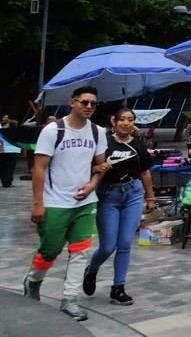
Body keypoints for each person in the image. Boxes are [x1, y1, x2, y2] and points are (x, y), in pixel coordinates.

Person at [23, 86, 107, 321]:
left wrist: (92, 184)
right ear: (73, 103)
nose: (89, 106)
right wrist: (38, 203)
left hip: (85, 203)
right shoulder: (53, 130)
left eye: (93, 103)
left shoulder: (98, 132)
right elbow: (38, 168)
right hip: (55, 202)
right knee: (50, 250)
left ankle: (70, 299)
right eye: (84, 102)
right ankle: (33, 281)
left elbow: (100, 166)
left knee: (80, 253)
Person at [83, 107, 156, 306]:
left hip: (133, 194)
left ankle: (118, 287)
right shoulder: (104, 143)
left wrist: (150, 198)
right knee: (108, 246)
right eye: (122, 119)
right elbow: (92, 168)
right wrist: (95, 172)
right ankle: (92, 269)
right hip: (109, 196)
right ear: (113, 121)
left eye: (130, 119)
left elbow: (145, 173)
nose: (126, 123)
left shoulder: (139, 145)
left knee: (125, 244)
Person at [1, 114, 21, 187]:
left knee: (10, 167)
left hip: (12, 150)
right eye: (3, 117)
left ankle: (8, 182)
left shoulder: (14, 127)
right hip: (2, 150)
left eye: (6, 118)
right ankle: (4, 181)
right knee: (2, 166)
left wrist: (9, 120)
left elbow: (16, 122)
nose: (4, 119)